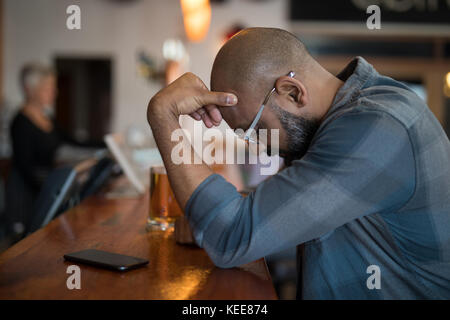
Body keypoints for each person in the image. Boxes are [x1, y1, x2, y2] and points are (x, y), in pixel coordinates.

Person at [146, 28, 450, 299]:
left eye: (255, 129)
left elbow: (230, 237)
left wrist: (163, 115)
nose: (261, 146)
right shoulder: (346, 114)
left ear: (292, 92)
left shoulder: (378, 128)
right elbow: (261, 218)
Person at [5, 63, 61, 240]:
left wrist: (106, 142)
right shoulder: (20, 121)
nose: (54, 92)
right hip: (24, 194)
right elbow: (25, 167)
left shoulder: (47, 118)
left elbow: (72, 139)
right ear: (30, 89)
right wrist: (53, 189)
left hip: (42, 188)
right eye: (47, 88)